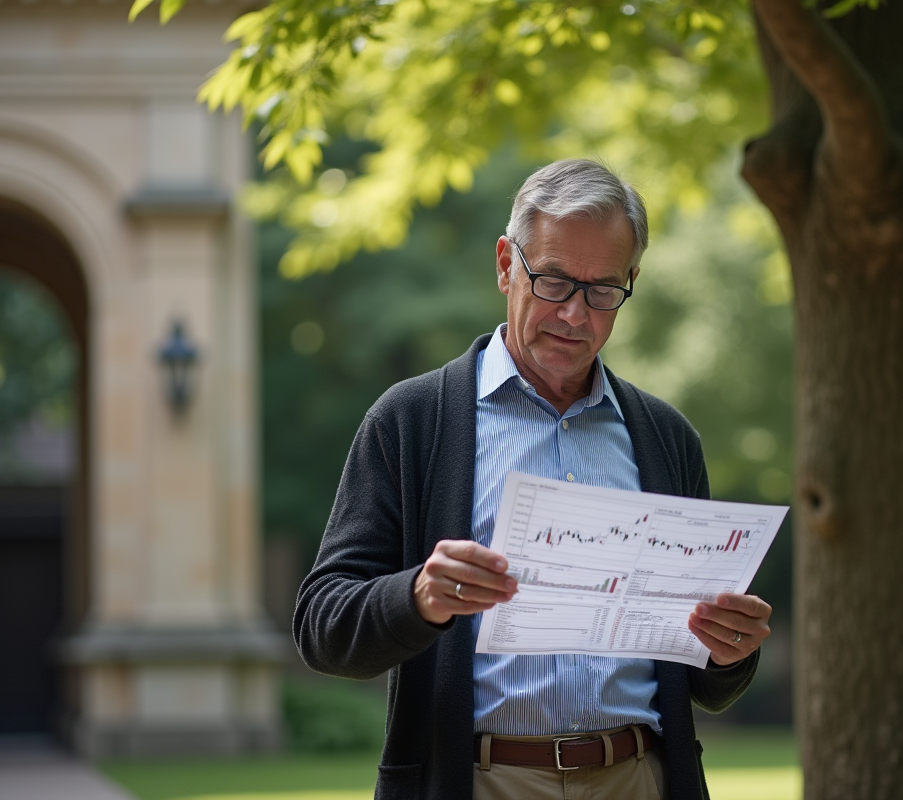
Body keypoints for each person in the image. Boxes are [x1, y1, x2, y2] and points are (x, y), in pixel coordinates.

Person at [295, 159, 772, 800]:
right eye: (551, 281)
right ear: (503, 264)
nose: (574, 316)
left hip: (640, 778)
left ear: (631, 281)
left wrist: (729, 651)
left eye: (603, 291)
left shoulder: (666, 437)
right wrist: (418, 598)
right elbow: (321, 627)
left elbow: (706, 683)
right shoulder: (412, 421)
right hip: (477, 783)